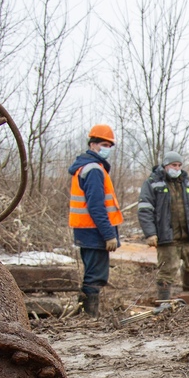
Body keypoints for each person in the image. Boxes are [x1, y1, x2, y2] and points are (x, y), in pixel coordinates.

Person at [138, 150, 189, 301]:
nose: (176, 168)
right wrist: (150, 233)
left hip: (187, 233)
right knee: (168, 268)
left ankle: (188, 284)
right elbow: (145, 210)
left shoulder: (185, 183)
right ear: (165, 165)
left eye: (179, 165)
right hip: (167, 235)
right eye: (173, 165)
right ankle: (164, 299)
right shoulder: (152, 183)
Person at [68, 124, 123, 316]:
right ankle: (89, 316)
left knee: (92, 274)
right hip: (93, 231)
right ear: (92, 144)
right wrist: (109, 235)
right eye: (103, 144)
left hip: (87, 230)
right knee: (94, 276)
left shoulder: (89, 167)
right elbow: (96, 207)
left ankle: (84, 313)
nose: (107, 148)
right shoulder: (93, 170)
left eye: (109, 145)